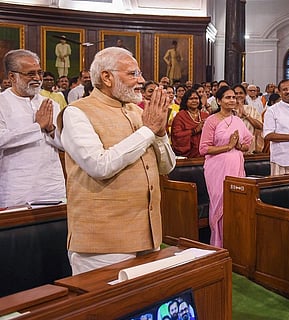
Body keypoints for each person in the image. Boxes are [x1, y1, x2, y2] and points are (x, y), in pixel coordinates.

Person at [59, 47, 176, 275]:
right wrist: (148, 130)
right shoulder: (77, 112)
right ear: (106, 77)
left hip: (147, 233)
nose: (141, 80)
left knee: (142, 306)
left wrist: (160, 134)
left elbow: (167, 167)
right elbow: (99, 165)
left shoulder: (137, 111)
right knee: (107, 309)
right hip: (103, 242)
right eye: (132, 74)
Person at [0, 49, 65, 207]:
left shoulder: (51, 104)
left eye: (39, 73)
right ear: (12, 76)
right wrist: (37, 127)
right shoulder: (2, 103)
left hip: (52, 185)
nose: (37, 78)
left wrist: (50, 129)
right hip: (17, 187)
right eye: (30, 74)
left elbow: (65, 144)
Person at [199, 86, 253, 247]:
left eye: (234, 98)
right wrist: (228, 146)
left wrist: (238, 145)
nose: (232, 100)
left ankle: (234, 243)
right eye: (228, 97)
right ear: (219, 101)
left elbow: (246, 145)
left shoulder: (237, 120)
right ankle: (218, 244)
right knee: (220, 206)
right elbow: (204, 148)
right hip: (217, 168)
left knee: (235, 204)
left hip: (236, 165)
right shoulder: (212, 120)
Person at [171, 89, 209, 158]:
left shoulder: (205, 115)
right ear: (186, 101)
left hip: (204, 154)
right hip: (187, 156)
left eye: (196, 98)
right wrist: (195, 131)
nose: (194, 101)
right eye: (191, 99)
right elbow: (177, 135)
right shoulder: (180, 116)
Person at [232, 84, 264, 154]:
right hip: (232, 148)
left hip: (250, 148)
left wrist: (246, 115)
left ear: (245, 95)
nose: (238, 95)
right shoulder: (228, 111)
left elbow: (260, 126)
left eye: (241, 93)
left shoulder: (252, 109)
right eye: (235, 93)